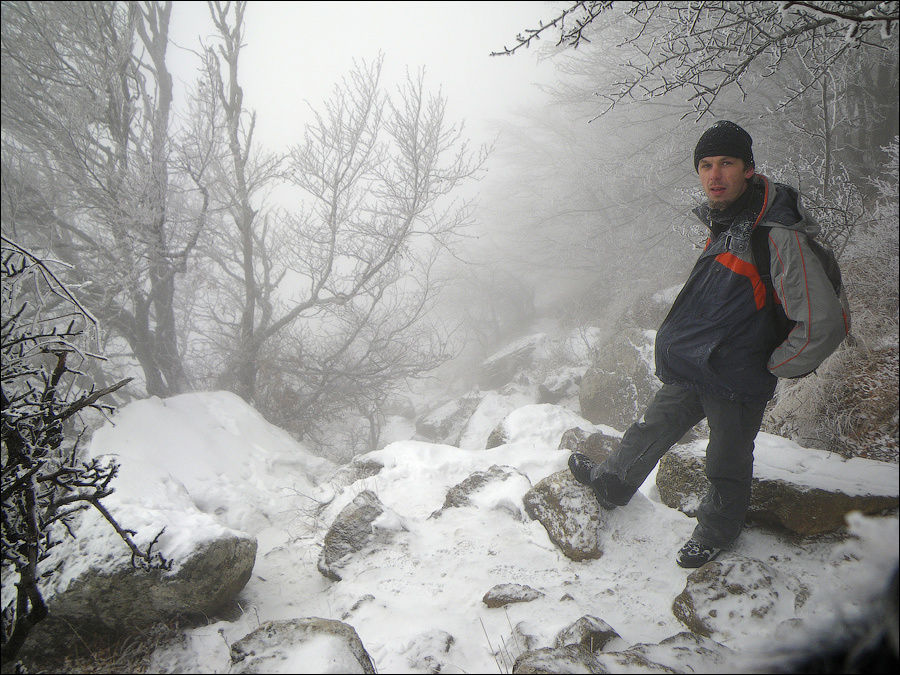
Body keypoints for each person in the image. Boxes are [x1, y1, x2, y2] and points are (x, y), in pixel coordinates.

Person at [568, 120, 850, 568]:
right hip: (701, 361)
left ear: (748, 169)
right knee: (653, 425)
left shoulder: (774, 233)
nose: (715, 175)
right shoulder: (729, 222)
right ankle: (612, 482)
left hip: (739, 372)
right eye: (706, 165)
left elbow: (824, 321)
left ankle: (717, 531)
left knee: (726, 458)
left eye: (726, 163)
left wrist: (778, 365)